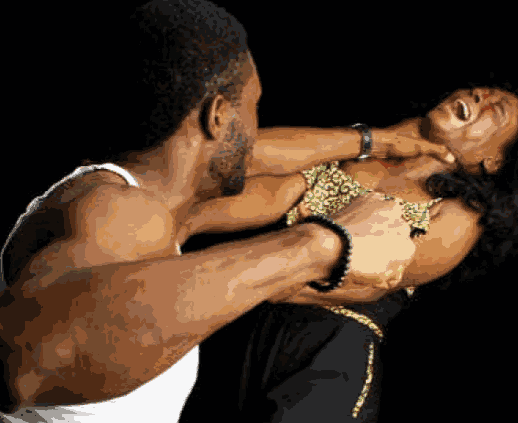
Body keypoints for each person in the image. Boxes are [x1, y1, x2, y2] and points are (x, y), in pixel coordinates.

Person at [0, 1, 456, 422]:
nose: (257, 129)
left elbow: (262, 158)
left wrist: (376, 142)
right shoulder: (113, 210)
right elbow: (29, 360)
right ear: (218, 116)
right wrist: (322, 244)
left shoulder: (158, 206)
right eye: (254, 107)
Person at [177, 86, 518, 422]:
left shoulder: (460, 214)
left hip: (325, 348)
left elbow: (367, 286)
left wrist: (231, 278)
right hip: (246, 324)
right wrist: (182, 222)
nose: (479, 96)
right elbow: (265, 181)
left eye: (495, 109)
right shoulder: (365, 153)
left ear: (494, 160)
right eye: (480, 90)